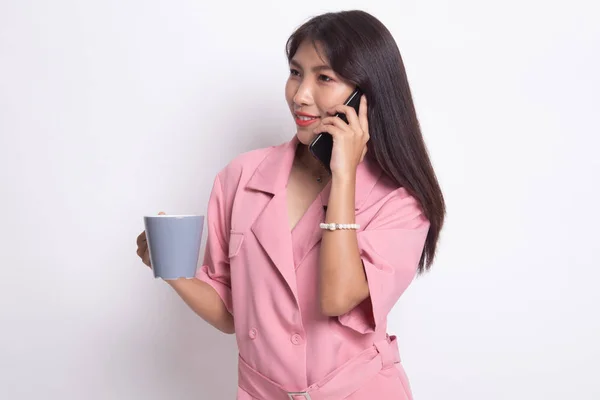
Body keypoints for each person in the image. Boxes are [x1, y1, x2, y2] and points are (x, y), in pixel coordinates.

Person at [136, 9, 445, 400]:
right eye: (296, 72)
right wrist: (172, 270)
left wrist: (344, 175)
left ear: (365, 96)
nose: (300, 95)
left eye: (325, 78)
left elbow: (337, 297)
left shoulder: (400, 202)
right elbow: (231, 313)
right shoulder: (241, 177)